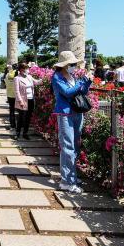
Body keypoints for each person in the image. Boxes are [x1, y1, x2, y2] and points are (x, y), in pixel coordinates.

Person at [51, 51, 92, 194]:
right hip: (64, 114)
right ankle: (67, 182)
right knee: (67, 146)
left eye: (75, 64)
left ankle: (71, 176)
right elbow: (67, 92)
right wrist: (81, 82)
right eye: (72, 64)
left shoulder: (73, 76)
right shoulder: (57, 77)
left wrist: (87, 82)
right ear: (65, 65)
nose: (74, 66)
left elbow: (82, 92)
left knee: (75, 146)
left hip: (76, 112)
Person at [14, 63, 36, 140]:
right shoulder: (17, 78)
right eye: (26, 68)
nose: (27, 70)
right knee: (21, 117)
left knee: (28, 117)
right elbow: (17, 91)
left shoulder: (29, 77)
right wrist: (20, 100)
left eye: (27, 68)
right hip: (23, 100)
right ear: (21, 70)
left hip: (31, 99)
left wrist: (46, 77)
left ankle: (25, 133)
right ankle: (17, 133)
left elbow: (36, 82)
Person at [4, 63, 18, 130]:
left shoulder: (7, 74)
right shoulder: (19, 75)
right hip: (18, 95)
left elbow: (5, 83)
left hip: (10, 95)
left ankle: (12, 125)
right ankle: (20, 125)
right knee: (21, 111)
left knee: (12, 110)